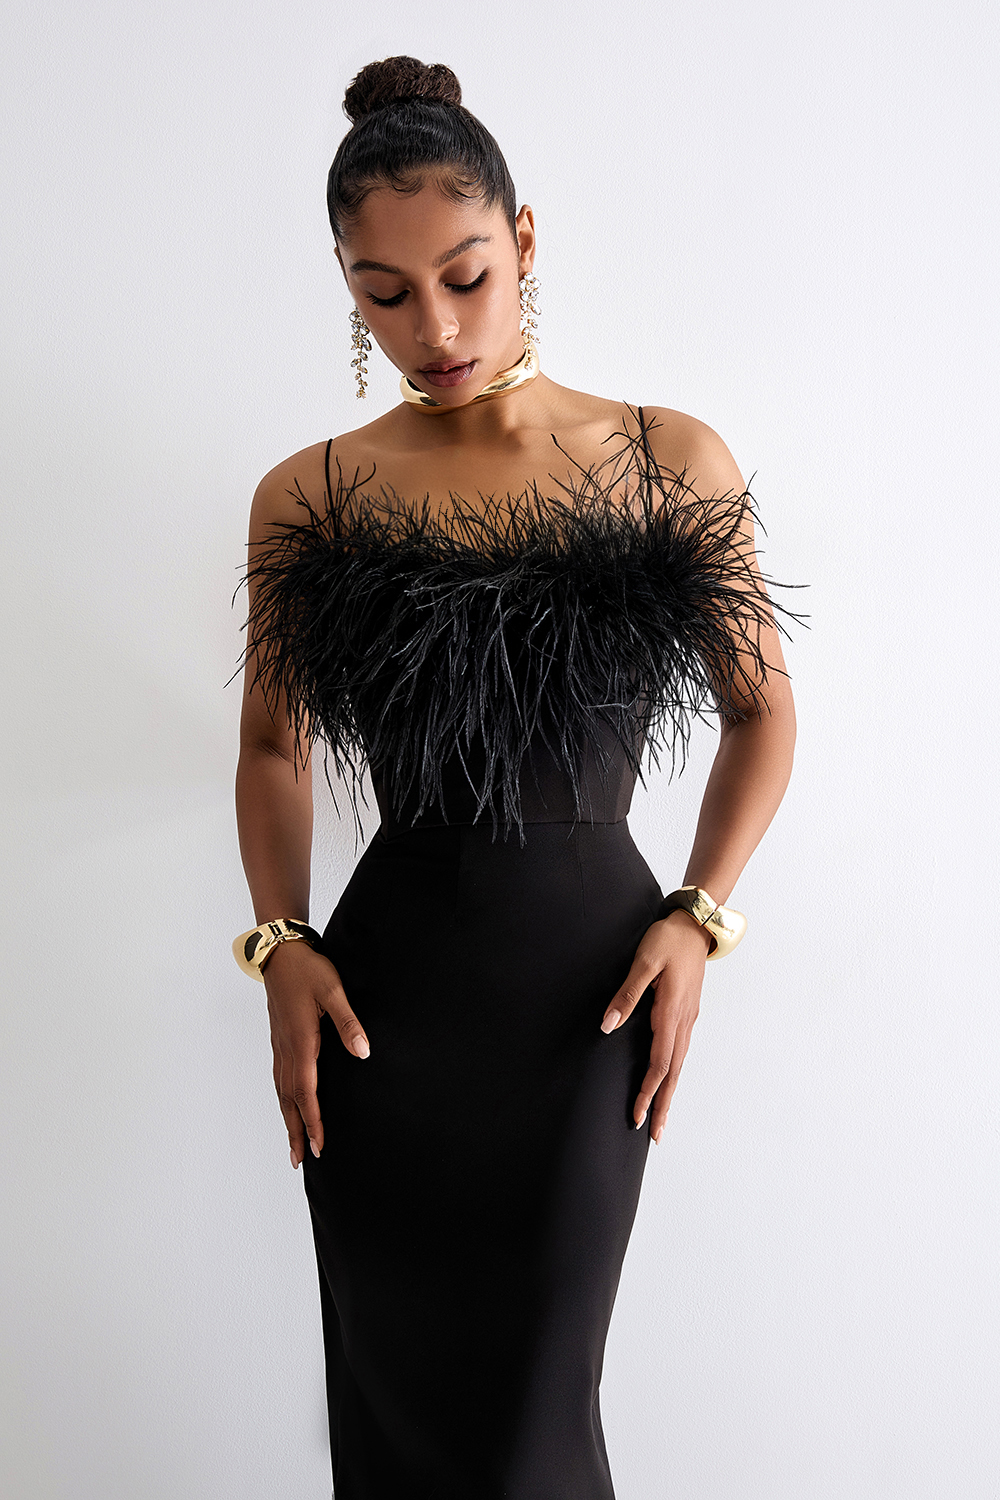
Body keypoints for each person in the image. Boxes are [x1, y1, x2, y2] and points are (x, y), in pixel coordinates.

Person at [232, 54, 804, 1500]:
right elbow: (272, 747)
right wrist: (282, 942)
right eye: (383, 294)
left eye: (466, 276)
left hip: (585, 997)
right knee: (396, 1411)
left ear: (525, 240)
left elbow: (761, 712)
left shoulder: (668, 458)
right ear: (347, 288)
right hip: (380, 1006)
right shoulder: (312, 494)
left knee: (535, 1424)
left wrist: (700, 917)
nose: (432, 328)